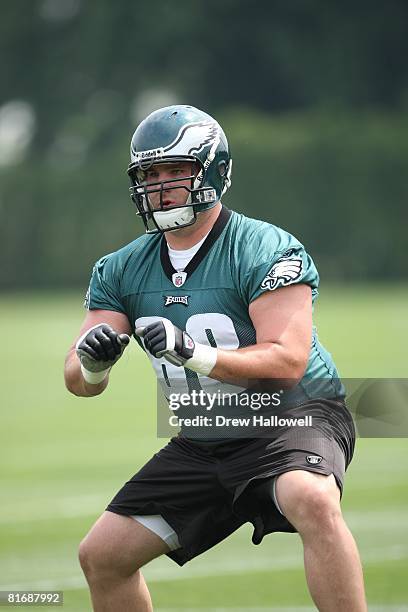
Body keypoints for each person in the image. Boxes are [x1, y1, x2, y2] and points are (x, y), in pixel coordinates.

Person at [64, 105, 367, 612]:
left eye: (175, 171)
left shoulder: (263, 247)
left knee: (310, 498)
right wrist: (93, 363)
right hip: (206, 432)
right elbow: (80, 380)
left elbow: (288, 360)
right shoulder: (120, 269)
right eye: (149, 174)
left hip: (292, 415)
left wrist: (194, 354)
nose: (159, 186)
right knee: (103, 555)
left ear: (212, 171)